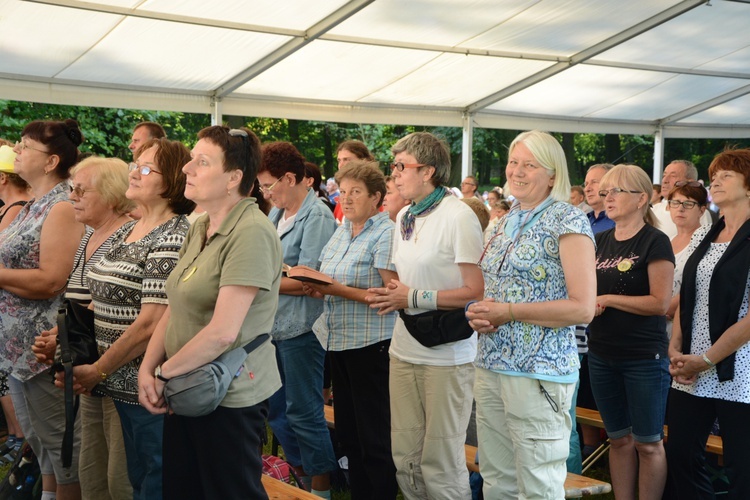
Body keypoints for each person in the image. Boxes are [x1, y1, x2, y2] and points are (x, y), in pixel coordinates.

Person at [138, 126, 282, 500]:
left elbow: (223, 332)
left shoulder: (251, 231)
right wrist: (148, 369)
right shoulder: (201, 224)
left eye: (202, 162)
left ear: (234, 178)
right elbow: (177, 302)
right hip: (187, 386)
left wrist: (165, 374)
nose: (187, 168)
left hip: (227, 394)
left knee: (227, 491)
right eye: (192, 160)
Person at [466, 130, 596, 499]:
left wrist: (508, 312)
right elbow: (492, 290)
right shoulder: (505, 220)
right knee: (496, 477)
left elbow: (583, 306)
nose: (517, 171)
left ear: (553, 175)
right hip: (492, 363)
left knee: (539, 483)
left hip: (539, 372)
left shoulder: (567, 219)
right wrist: (478, 312)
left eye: (530, 164)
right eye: (513, 162)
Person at [367, 132, 484, 500]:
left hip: (446, 354)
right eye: (394, 166)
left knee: (441, 459)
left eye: (402, 166)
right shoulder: (404, 214)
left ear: (429, 170)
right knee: (406, 456)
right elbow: (409, 278)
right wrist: (394, 295)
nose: (394, 174)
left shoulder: (459, 216)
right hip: (405, 347)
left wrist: (412, 295)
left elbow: (475, 291)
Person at [75, 138, 194, 500]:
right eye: (134, 164)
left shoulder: (173, 234)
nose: (134, 172)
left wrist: (99, 369)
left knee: (149, 482)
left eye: (146, 168)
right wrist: (68, 338)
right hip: (115, 380)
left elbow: (150, 323)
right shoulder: (129, 228)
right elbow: (102, 297)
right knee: (125, 479)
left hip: (145, 387)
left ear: (171, 180)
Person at [34, 156, 135, 500]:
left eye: (80, 190)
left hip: (115, 372)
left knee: (118, 478)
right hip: (89, 371)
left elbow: (111, 305)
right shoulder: (90, 233)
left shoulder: (125, 235)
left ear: (110, 194)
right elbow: (82, 305)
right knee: (93, 473)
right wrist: (58, 339)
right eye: (71, 188)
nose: (71, 196)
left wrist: (63, 340)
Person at [0, 119, 86, 500]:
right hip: (19, 348)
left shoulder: (62, 205)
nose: (16, 150)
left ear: (51, 161)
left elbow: (52, 279)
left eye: (25, 145)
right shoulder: (37, 201)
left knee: (61, 443)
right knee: (39, 439)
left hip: (42, 346)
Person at [303, 160, 398, 500]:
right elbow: (329, 277)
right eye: (342, 191)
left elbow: (391, 296)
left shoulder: (386, 232)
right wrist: (314, 285)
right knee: (349, 435)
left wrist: (334, 289)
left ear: (376, 197)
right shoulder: (341, 230)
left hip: (372, 345)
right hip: (338, 342)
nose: (346, 198)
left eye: (356, 192)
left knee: (374, 437)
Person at [665, 148, 750, 500]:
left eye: (726, 175)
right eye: (713, 176)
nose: (715, 181)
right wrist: (676, 349)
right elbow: (689, 294)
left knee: (742, 466)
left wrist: (709, 358)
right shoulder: (709, 234)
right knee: (681, 455)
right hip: (693, 367)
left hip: (739, 370)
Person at [588, 164, 674, 500]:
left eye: (616, 191)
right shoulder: (598, 241)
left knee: (649, 444)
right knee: (619, 439)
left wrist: (608, 298)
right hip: (601, 354)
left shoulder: (655, 240)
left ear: (641, 199)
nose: (607, 197)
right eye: (605, 191)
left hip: (643, 358)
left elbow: (660, 302)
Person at [257, 141, 338, 498]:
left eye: (268, 185)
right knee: (278, 412)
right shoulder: (277, 213)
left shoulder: (317, 214)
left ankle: (321, 486)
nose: (265, 193)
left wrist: (264, 278)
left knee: (303, 411)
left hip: (302, 329)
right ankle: (301, 475)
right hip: (274, 327)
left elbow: (310, 282)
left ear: (290, 178)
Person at [577, 163, 616, 459]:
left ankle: (609, 443)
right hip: (578, 322)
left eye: (596, 182)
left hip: (605, 320)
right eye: (587, 183)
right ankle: (588, 445)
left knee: (601, 387)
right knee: (583, 387)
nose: (589, 187)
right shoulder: (582, 219)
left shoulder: (616, 224)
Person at [0, 143, 28, 455]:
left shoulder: (16, 209)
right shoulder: (11, 209)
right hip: (8, 306)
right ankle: (15, 436)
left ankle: (18, 439)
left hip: (12, 309)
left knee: (8, 377)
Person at [664, 181, 709, 338]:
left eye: (688, 204)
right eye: (675, 202)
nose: (680, 208)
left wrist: (666, 308)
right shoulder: (667, 241)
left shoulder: (707, 241)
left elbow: (702, 283)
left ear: (702, 210)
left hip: (689, 326)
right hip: (660, 328)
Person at [654, 160, 712, 238]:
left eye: (673, 176)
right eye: (664, 176)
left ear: (690, 182)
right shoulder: (653, 210)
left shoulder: (699, 214)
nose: (665, 180)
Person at [333, 141, 375, 223]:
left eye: (346, 159)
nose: (341, 165)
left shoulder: (373, 193)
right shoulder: (342, 198)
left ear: (363, 160)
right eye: (339, 160)